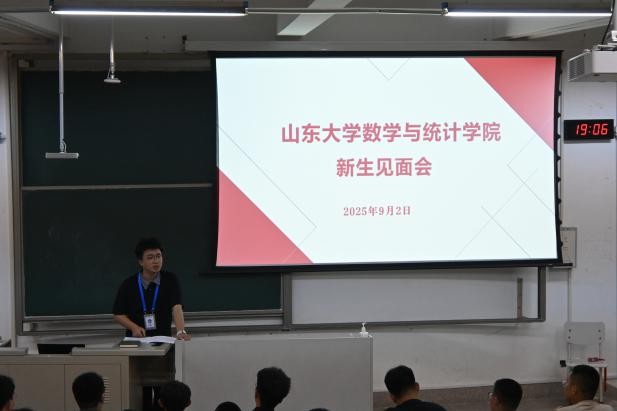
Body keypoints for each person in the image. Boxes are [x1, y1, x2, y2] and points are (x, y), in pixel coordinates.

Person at [113, 237, 190, 340]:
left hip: (163, 340)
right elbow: (118, 314)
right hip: (137, 340)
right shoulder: (128, 284)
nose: (156, 261)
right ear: (141, 261)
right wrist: (134, 327)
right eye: (150, 257)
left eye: (158, 256)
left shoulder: (170, 279)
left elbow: (176, 307)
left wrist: (181, 331)